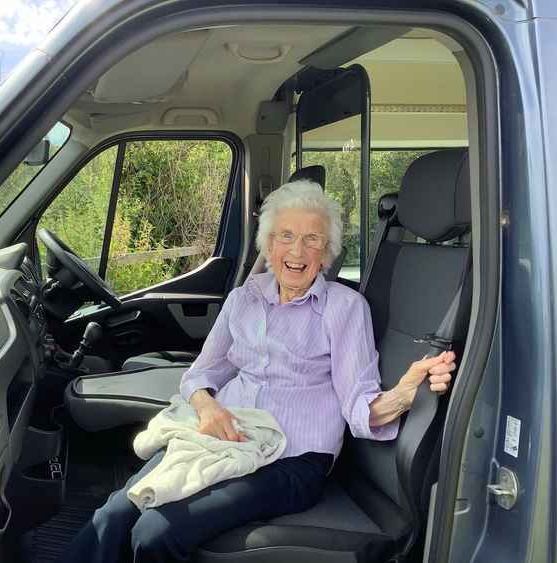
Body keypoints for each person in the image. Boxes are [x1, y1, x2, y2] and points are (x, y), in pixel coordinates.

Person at [60, 180, 456, 563]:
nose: (297, 251)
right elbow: (199, 375)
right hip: (223, 439)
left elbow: (358, 405)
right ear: (268, 245)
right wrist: (208, 408)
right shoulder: (242, 300)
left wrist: (406, 393)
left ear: (328, 253)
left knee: (155, 533)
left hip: (293, 461)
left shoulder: (344, 308)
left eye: (312, 239)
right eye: (285, 235)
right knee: (114, 515)